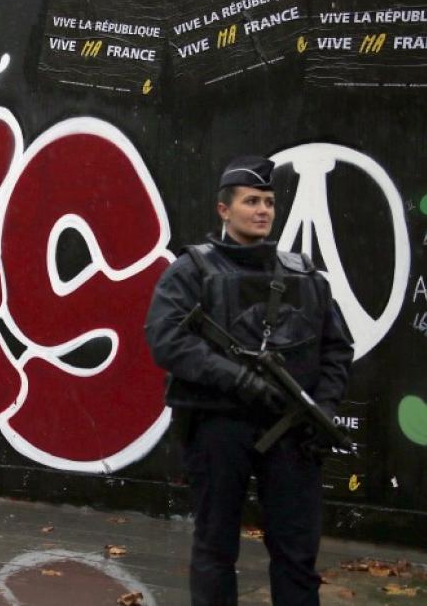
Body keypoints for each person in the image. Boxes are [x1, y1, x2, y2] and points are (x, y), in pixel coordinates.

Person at [144, 156, 353, 606]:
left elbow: (336, 347)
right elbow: (165, 338)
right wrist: (239, 380)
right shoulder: (193, 271)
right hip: (220, 429)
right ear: (224, 210)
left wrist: (325, 410)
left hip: (292, 431)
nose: (263, 210)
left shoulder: (303, 274)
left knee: (297, 554)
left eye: (270, 202)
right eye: (251, 201)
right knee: (216, 547)